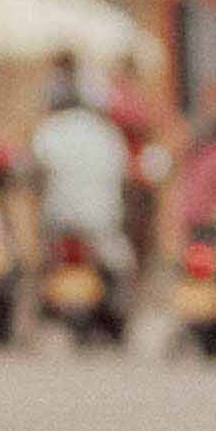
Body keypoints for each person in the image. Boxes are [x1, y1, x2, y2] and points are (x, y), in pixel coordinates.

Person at [29, 73, 134, 300]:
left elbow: (36, 170)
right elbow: (124, 175)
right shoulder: (108, 132)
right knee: (122, 270)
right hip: (101, 221)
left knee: (38, 271)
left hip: (58, 222)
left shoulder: (49, 130)